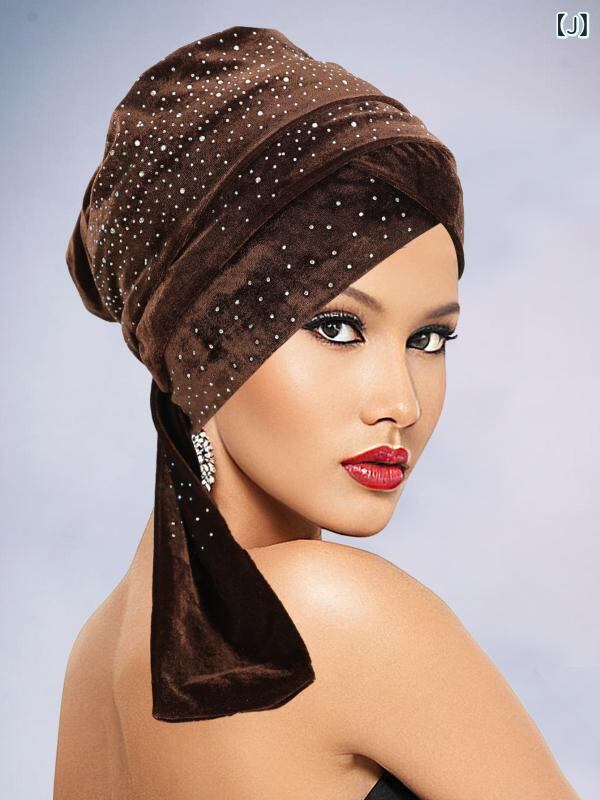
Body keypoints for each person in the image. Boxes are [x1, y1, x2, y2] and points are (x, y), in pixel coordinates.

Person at [53, 25, 580, 800]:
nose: (401, 402)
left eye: (430, 339)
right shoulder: (331, 611)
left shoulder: (96, 659)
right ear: (202, 348)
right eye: (337, 328)